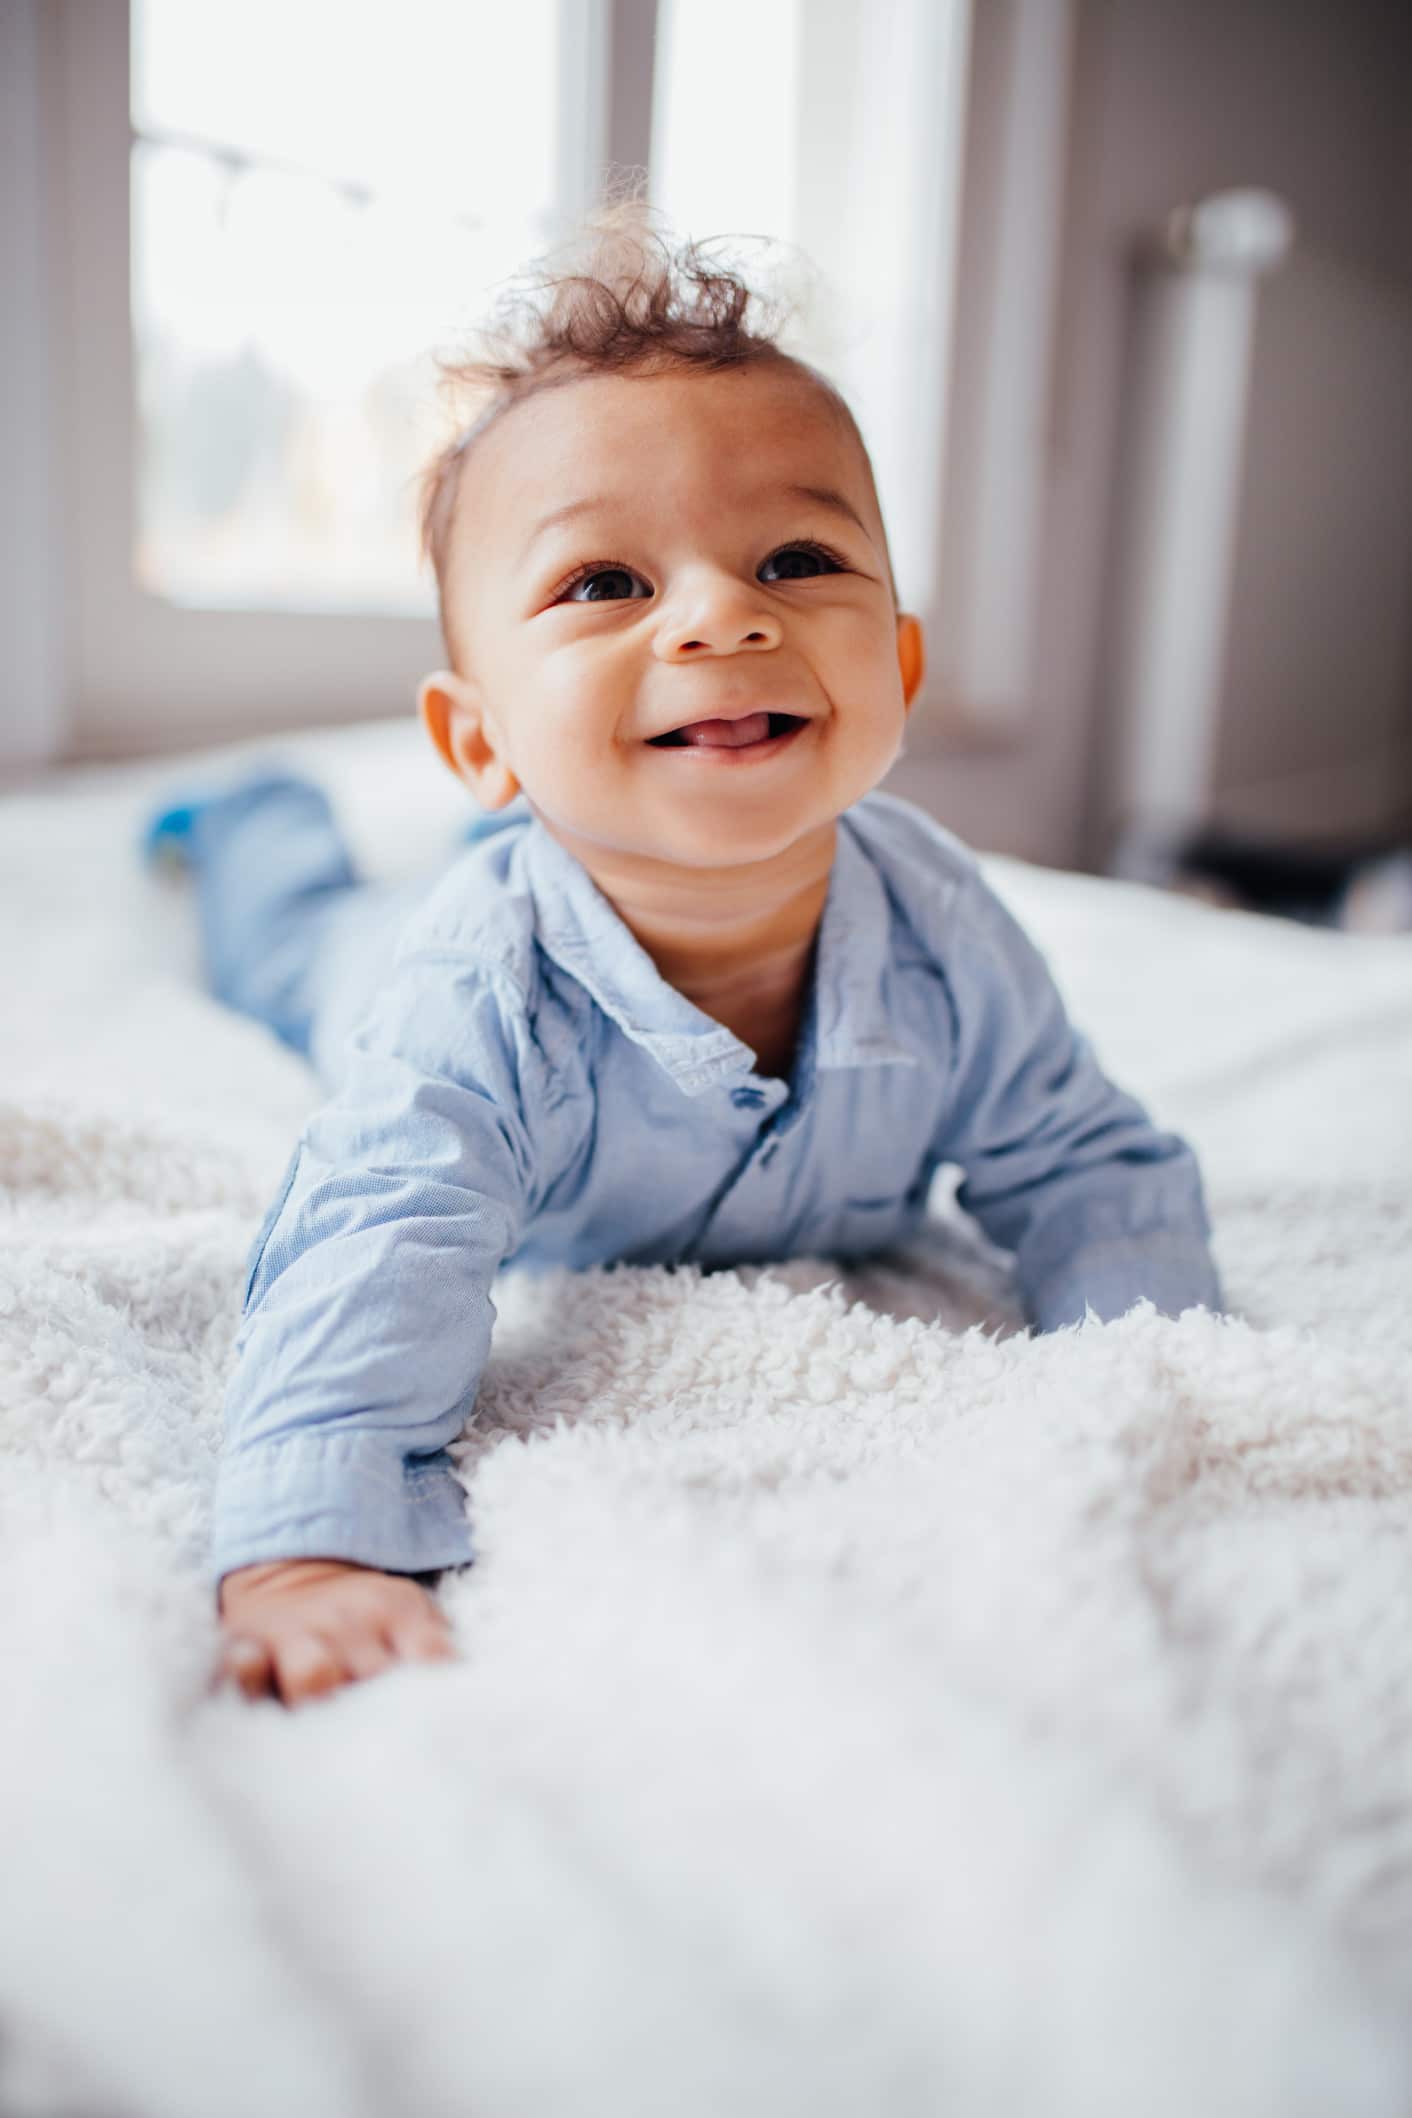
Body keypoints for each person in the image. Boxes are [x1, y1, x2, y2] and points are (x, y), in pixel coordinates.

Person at [144, 208, 1224, 1708]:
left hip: (554, 870)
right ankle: (260, 815)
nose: (725, 615)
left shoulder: (944, 926)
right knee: (291, 941)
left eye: (795, 557)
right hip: (406, 949)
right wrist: (316, 1542)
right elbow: (379, 1229)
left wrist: (1155, 1365)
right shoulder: (472, 989)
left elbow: (1085, 1158)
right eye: (606, 584)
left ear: (898, 672)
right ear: (479, 737)